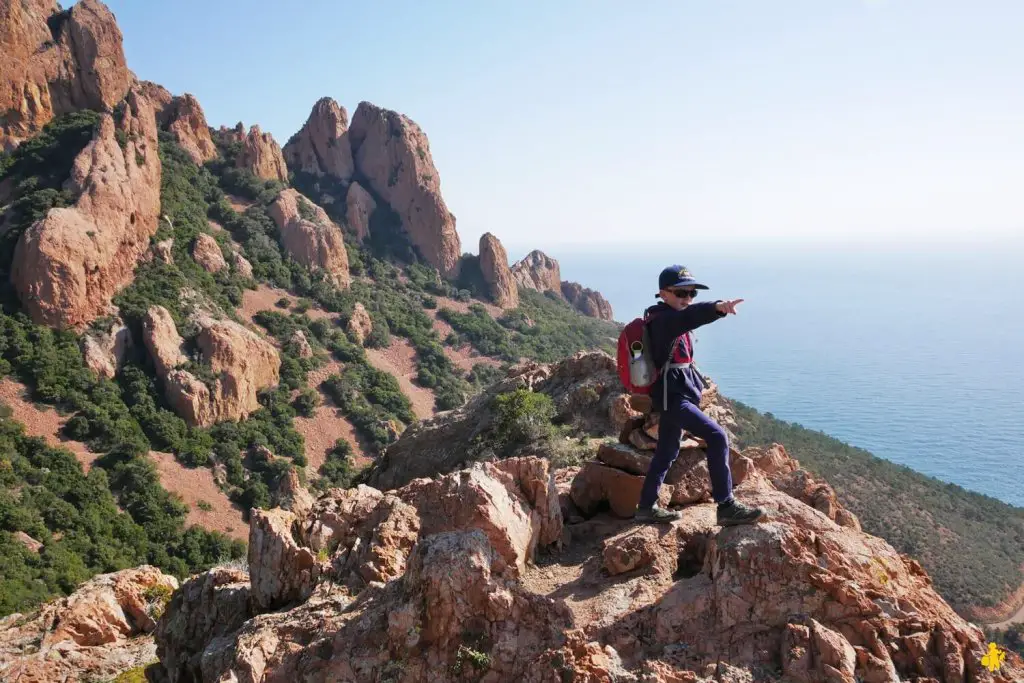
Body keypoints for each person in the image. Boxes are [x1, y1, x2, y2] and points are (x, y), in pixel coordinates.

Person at [634, 265, 766, 526]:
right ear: (663, 293)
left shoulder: (669, 318)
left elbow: (687, 319)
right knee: (717, 436)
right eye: (681, 293)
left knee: (667, 450)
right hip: (673, 397)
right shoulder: (664, 320)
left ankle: (646, 507)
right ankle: (726, 505)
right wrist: (717, 307)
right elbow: (690, 317)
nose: (687, 299)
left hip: (673, 394)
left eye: (691, 293)